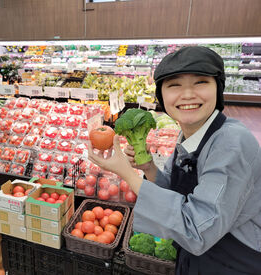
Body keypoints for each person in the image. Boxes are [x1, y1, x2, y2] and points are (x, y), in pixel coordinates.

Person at [88, 46, 261, 275]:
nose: (187, 94)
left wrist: (128, 175)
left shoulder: (233, 144)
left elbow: (197, 231)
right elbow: (175, 193)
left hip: (232, 261)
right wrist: (148, 167)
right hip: (200, 258)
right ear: (162, 95)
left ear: (218, 89)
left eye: (200, 82)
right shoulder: (191, 132)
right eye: (174, 85)